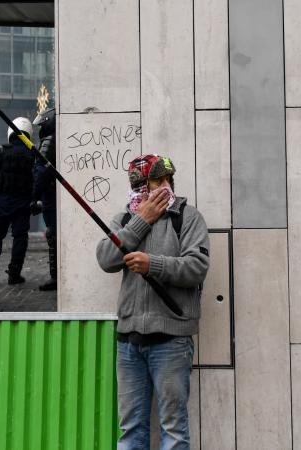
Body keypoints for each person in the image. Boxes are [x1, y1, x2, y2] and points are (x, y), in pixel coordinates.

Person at [95, 154, 210, 450]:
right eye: (152, 183)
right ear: (138, 187)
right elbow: (106, 259)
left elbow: (197, 267)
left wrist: (153, 265)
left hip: (172, 340)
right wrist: (140, 222)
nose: (161, 188)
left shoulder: (187, 217)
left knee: (173, 429)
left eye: (165, 181)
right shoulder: (124, 218)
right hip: (129, 342)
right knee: (131, 429)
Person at [0, 117, 36, 286]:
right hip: (22, 203)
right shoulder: (33, 154)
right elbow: (36, 178)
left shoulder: (1, 152)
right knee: (20, 238)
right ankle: (14, 274)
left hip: (2, 201)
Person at [31, 108, 57, 291]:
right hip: (55, 196)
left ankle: (56, 277)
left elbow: (41, 172)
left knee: (53, 236)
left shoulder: (49, 141)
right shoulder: (58, 137)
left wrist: (33, 196)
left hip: (51, 198)